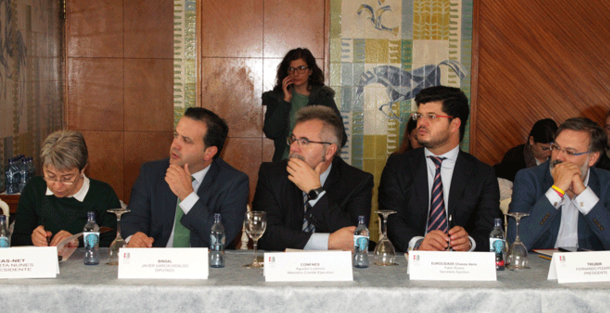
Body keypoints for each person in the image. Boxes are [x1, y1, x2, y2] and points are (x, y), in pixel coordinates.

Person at [379, 86, 500, 252]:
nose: (421, 123)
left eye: (432, 116)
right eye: (419, 116)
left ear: (454, 124)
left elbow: (489, 228)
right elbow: (391, 220)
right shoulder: (398, 166)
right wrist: (418, 243)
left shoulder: (482, 174)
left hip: (461, 264)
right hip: (411, 261)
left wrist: (470, 242)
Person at [121, 107, 249, 248]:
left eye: (186, 140)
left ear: (209, 152)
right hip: (159, 259)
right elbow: (132, 219)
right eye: (176, 135)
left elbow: (221, 239)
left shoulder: (233, 182)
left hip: (205, 261)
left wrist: (187, 196)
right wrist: (134, 237)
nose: (175, 145)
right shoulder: (152, 172)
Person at [253, 105, 373, 251]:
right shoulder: (272, 174)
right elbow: (265, 236)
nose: (294, 148)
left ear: (329, 151)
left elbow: (355, 240)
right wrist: (328, 242)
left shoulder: (357, 182)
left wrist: (315, 192)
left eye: (304, 142)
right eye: (293, 139)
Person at [508, 117, 610, 250]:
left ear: (592, 158)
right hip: (541, 263)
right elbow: (516, 241)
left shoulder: (608, 182)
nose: (558, 157)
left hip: (589, 263)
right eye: (556, 147)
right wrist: (557, 190)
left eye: (570, 152)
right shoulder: (529, 178)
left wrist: (583, 194)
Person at [11, 130, 120, 247]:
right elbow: (17, 241)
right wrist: (33, 239)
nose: (57, 186)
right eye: (51, 176)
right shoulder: (34, 189)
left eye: (67, 178)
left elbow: (112, 244)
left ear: (82, 169)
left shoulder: (103, 195)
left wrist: (78, 242)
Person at [262, 48, 346, 161]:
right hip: (285, 161)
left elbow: (341, 137)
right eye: (291, 69)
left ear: (310, 71)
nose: (296, 73)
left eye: (301, 68)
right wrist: (286, 101)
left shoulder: (323, 97)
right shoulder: (276, 98)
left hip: (315, 162)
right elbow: (271, 132)